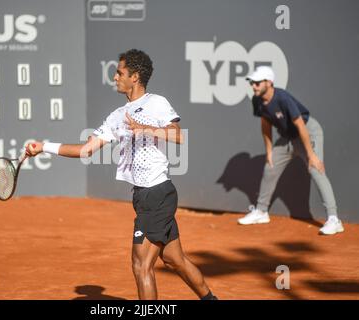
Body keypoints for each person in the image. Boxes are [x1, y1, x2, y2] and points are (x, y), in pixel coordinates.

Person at [25, 49, 217, 300]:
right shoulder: (116, 117)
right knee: (173, 258)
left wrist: (146, 129)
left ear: (135, 77)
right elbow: (85, 150)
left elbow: (178, 135)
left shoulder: (156, 103)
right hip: (142, 196)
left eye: (120, 72)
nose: (115, 77)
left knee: (141, 264)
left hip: (157, 194)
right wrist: (44, 147)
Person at [237, 66, 343, 235]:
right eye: (252, 82)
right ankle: (261, 212)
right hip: (287, 137)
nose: (254, 86)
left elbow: (301, 125)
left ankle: (334, 219)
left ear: (269, 83)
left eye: (257, 82)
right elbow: (265, 124)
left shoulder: (283, 98)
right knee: (270, 167)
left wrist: (311, 155)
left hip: (308, 132)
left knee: (316, 169)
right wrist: (269, 151)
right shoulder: (257, 100)